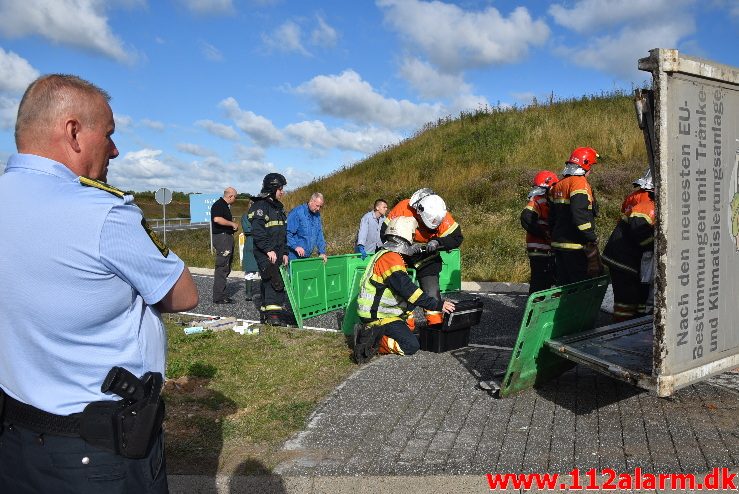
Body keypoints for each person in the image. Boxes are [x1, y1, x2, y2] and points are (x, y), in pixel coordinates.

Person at [0, 74, 198, 493]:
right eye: (107, 134)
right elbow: (183, 294)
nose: (115, 149)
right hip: (98, 454)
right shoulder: (104, 214)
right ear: (73, 132)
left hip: (15, 441)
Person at [353, 217, 456, 363]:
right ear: (406, 236)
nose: (413, 240)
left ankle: (380, 331)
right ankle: (370, 338)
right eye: (412, 237)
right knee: (410, 346)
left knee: (410, 326)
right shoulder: (391, 259)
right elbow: (408, 290)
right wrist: (439, 305)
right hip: (379, 316)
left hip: (383, 312)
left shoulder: (386, 254)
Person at [381, 188, 463, 329]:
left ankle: (436, 327)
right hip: (402, 256)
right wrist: (406, 247)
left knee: (432, 294)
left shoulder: (439, 213)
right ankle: (404, 329)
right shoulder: (403, 208)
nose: (427, 229)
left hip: (426, 257)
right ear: (418, 211)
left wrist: (438, 242)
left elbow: (457, 237)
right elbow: (384, 234)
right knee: (403, 293)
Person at [602, 168, 656, 321]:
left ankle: (634, 326)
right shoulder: (648, 206)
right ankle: (618, 330)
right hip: (622, 259)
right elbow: (638, 225)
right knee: (626, 300)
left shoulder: (641, 199)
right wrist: (653, 246)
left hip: (628, 259)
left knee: (638, 297)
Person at [548, 147, 603, 284]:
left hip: (559, 244)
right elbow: (580, 214)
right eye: (591, 166)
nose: (591, 171)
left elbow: (552, 217)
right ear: (586, 165)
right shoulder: (579, 183)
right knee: (579, 286)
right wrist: (590, 236)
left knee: (563, 284)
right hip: (575, 245)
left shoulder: (559, 185)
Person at [248, 173, 289, 325]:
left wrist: (284, 252)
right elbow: (258, 232)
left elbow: (283, 232)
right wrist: (268, 250)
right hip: (265, 252)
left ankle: (266, 313)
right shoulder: (260, 207)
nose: (282, 192)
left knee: (268, 280)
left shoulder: (278, 207)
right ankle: (274, 316)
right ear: (272, 189)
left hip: (277, 251)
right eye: (280, 189)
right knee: (273, 280)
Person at [520, 170, 558, 293]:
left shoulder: (546, 201)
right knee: (539, 284)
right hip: (540, 249)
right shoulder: (538, 200)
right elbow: (526, 217)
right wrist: (544, 233)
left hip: (543, 249)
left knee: (545, 282)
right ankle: (534, 310)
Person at [211, 187, 238, 304]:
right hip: (222, 237)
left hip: (225, 237)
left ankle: (221, 293)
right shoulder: (219, 205)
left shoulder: (224, 206)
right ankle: (219, 296)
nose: (235, 199)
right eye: (235, 197)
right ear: (230, 196)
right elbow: (217, 219)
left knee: (225, 266)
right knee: (222, 267)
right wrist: (232, 223)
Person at [287, 192, 327, 263]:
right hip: (294, 257)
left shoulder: (317, 215)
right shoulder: (297, 212)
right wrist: (295, 247)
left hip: (307, 257)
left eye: (320, 207)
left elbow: (319, 235)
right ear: (311, 201)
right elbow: (287, 233)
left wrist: (322, 252)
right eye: (317, 206)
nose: (318, 209)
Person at [240, 206, 260, 302]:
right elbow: (247, 230)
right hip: (250, 244)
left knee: (264, 269)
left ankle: (264, 293)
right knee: (249, 270)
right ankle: (248, 293)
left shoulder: (263, 215)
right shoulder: (245, 216)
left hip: (263, 244)